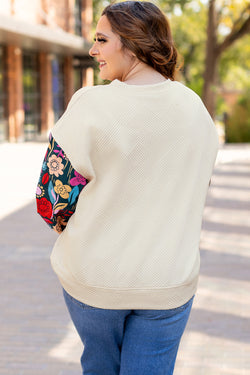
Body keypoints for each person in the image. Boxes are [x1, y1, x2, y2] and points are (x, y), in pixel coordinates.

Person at [36, 1, 219, 374]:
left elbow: (50, 200)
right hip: (168, 280)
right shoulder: (195, 108)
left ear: (132, 44)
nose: (93, 50)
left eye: (102, 40)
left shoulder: (91, 104)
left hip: (95, 280)